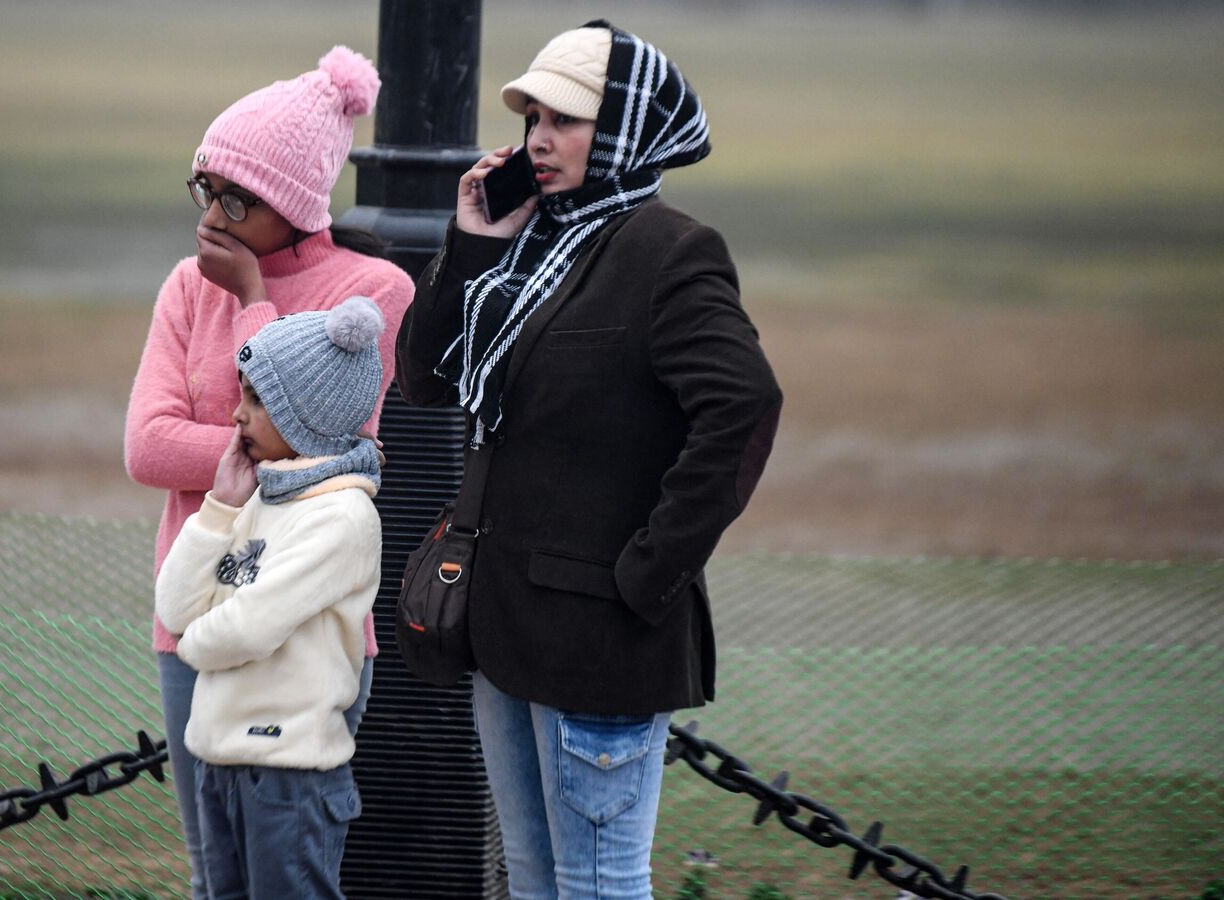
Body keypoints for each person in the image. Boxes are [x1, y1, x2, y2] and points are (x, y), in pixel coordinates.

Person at [395, 21, 783, 899]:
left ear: (624, 130)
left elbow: (743, 406)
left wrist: (647, 574)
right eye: (533, 114)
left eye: (566, 119)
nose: (539, 136)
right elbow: (422, 377)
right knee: (534, 881)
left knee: (600, 885)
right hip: (500, 628)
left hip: (601, 640)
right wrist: (469, 245)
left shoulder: (669, 252)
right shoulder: (528, 241)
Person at [123, 47, 413, 897]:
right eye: (203, 189)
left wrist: (251, 294)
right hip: (193, 617)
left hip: (307, 640)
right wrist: (246, 441)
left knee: (289, 875)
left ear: (291, 203)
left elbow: (315, 453)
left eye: (235, 199)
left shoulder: (370, 291)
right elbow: (145, 448)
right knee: (218, 878)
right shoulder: (185, 287)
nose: (211, 215)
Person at [154, 295, 388, 899]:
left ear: (304, 412)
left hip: (290, 775)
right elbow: (175, 607)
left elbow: (250, 627)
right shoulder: (260, 494)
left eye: (256, 400)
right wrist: (219, 508)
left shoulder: (342, 516)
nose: (236, 415)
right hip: (218, 757)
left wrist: (189, 642)